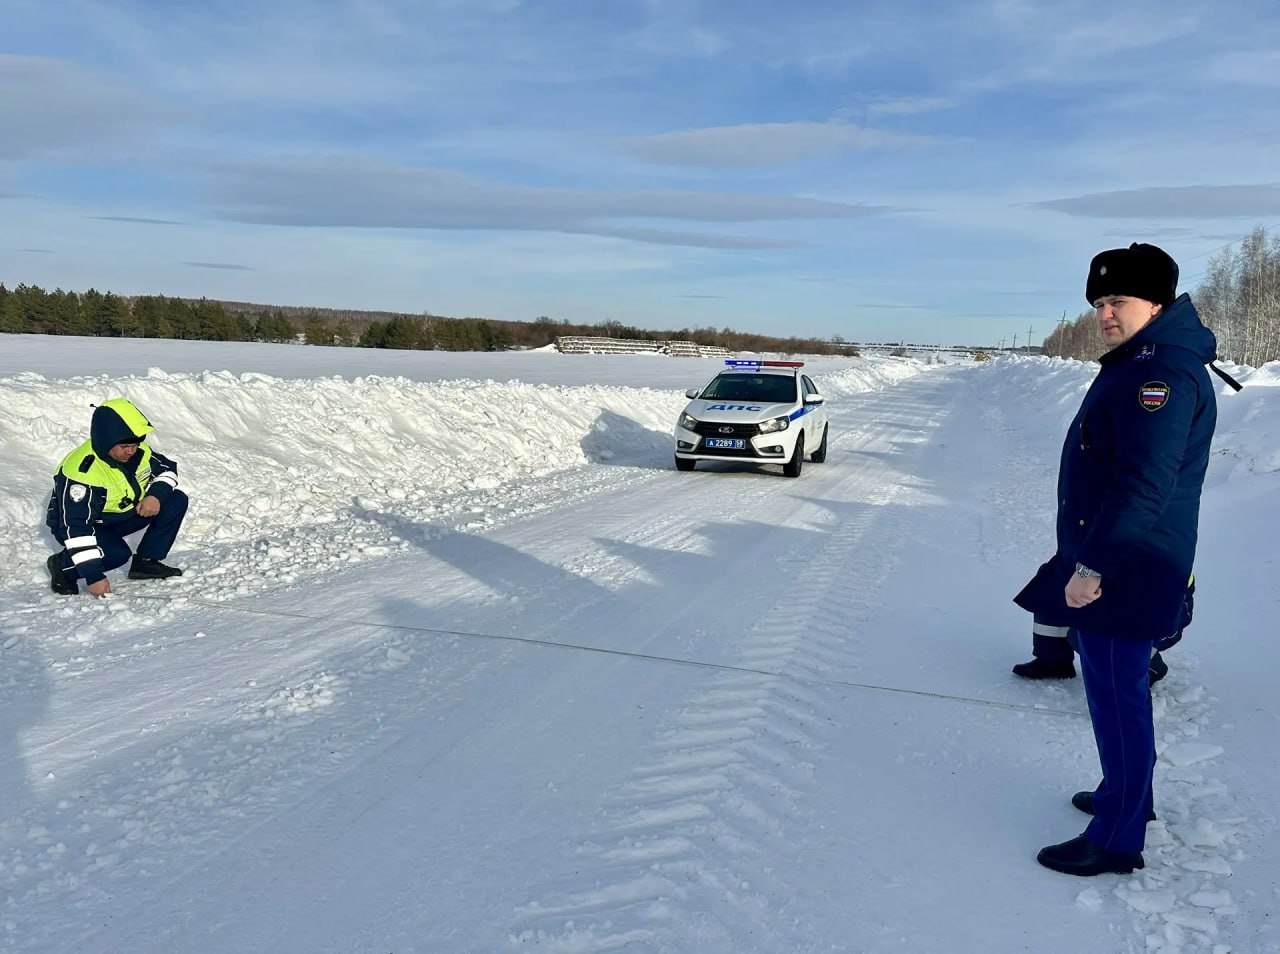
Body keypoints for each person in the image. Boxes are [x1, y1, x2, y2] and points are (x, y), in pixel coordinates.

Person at [1013, 243, 1218, 876]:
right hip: (1123, 556)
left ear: (1155, 303)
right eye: (1099, 302)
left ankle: (1117, 837)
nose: (1105, 313)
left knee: (1117, 697)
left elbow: (1144, 486)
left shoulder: (1161, 374)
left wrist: (1092, 568)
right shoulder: (1143, 361)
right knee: (1110, 693)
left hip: (1127, 566)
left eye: (1117, 301)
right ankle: (1125, 796)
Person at [45, 398, 188, 597]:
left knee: (174, 500)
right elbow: (76, 526)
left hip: (118, 516)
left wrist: (155, 495)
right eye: (125, 446)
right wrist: (93, 576)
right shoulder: (82, 472)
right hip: (78, 524)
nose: (131, 451)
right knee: (116, 555)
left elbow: (167, 469)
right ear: (107, 441)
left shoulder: (139, 453)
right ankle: (63, 566)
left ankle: (146, 563)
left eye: (135, 444)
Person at [1012, 577, 1194, 686]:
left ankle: (1146, 666)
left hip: (1158, 595)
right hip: (1098, 566)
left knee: (1091, 635)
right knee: (1051, 586)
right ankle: (1053, 659)